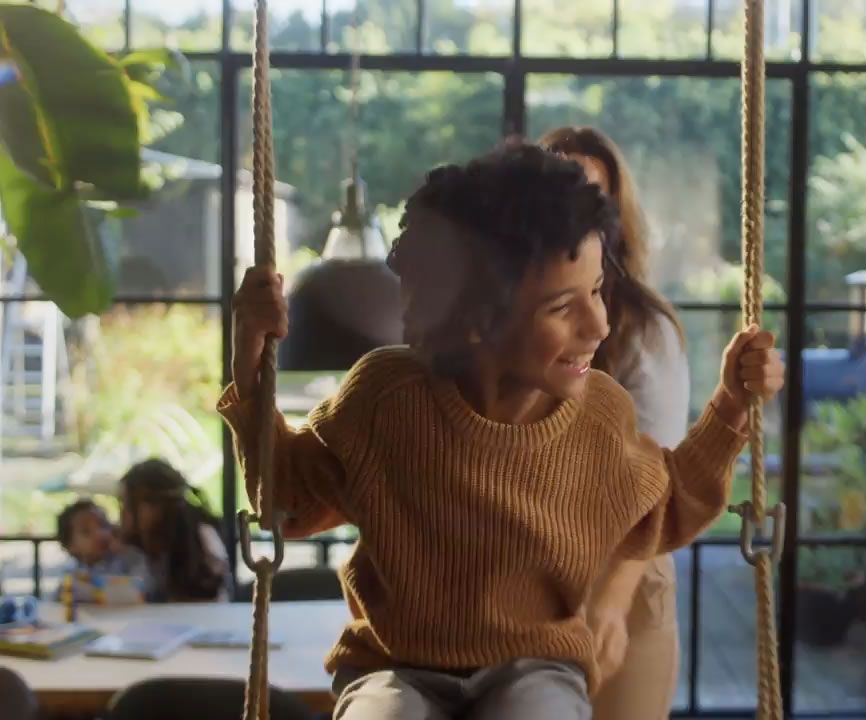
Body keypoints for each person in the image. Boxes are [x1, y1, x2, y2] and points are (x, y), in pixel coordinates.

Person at [220, 142, 784, 719]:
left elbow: (668, 506)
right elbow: (286, 503)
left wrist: (731, 406)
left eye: (596, 292)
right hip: (394, 666)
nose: (599, 324)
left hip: (537, 666)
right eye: (563, 307)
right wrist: (250, 367)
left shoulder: (598, 417)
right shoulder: (386, 399)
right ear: (473, 320)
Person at [540, 125, 688, 719]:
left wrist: (612, 600)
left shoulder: (641, 329)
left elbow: (658, 475)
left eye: (592, 198)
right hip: (530, 582)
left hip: (623, 579)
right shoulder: (500, 325)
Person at [118, 459, 230, 602]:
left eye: (126, 503)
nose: (122, 513)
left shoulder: (201, 538)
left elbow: (209, 598)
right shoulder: (132, 545)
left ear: (155, 506)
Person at [55, 499, 151, 602]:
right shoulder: (72, 573)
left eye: (104, 525)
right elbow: (59, 601)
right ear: (70, 546)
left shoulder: (128, 558)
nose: (99, 534)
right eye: (86, 531)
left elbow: (144, 588)